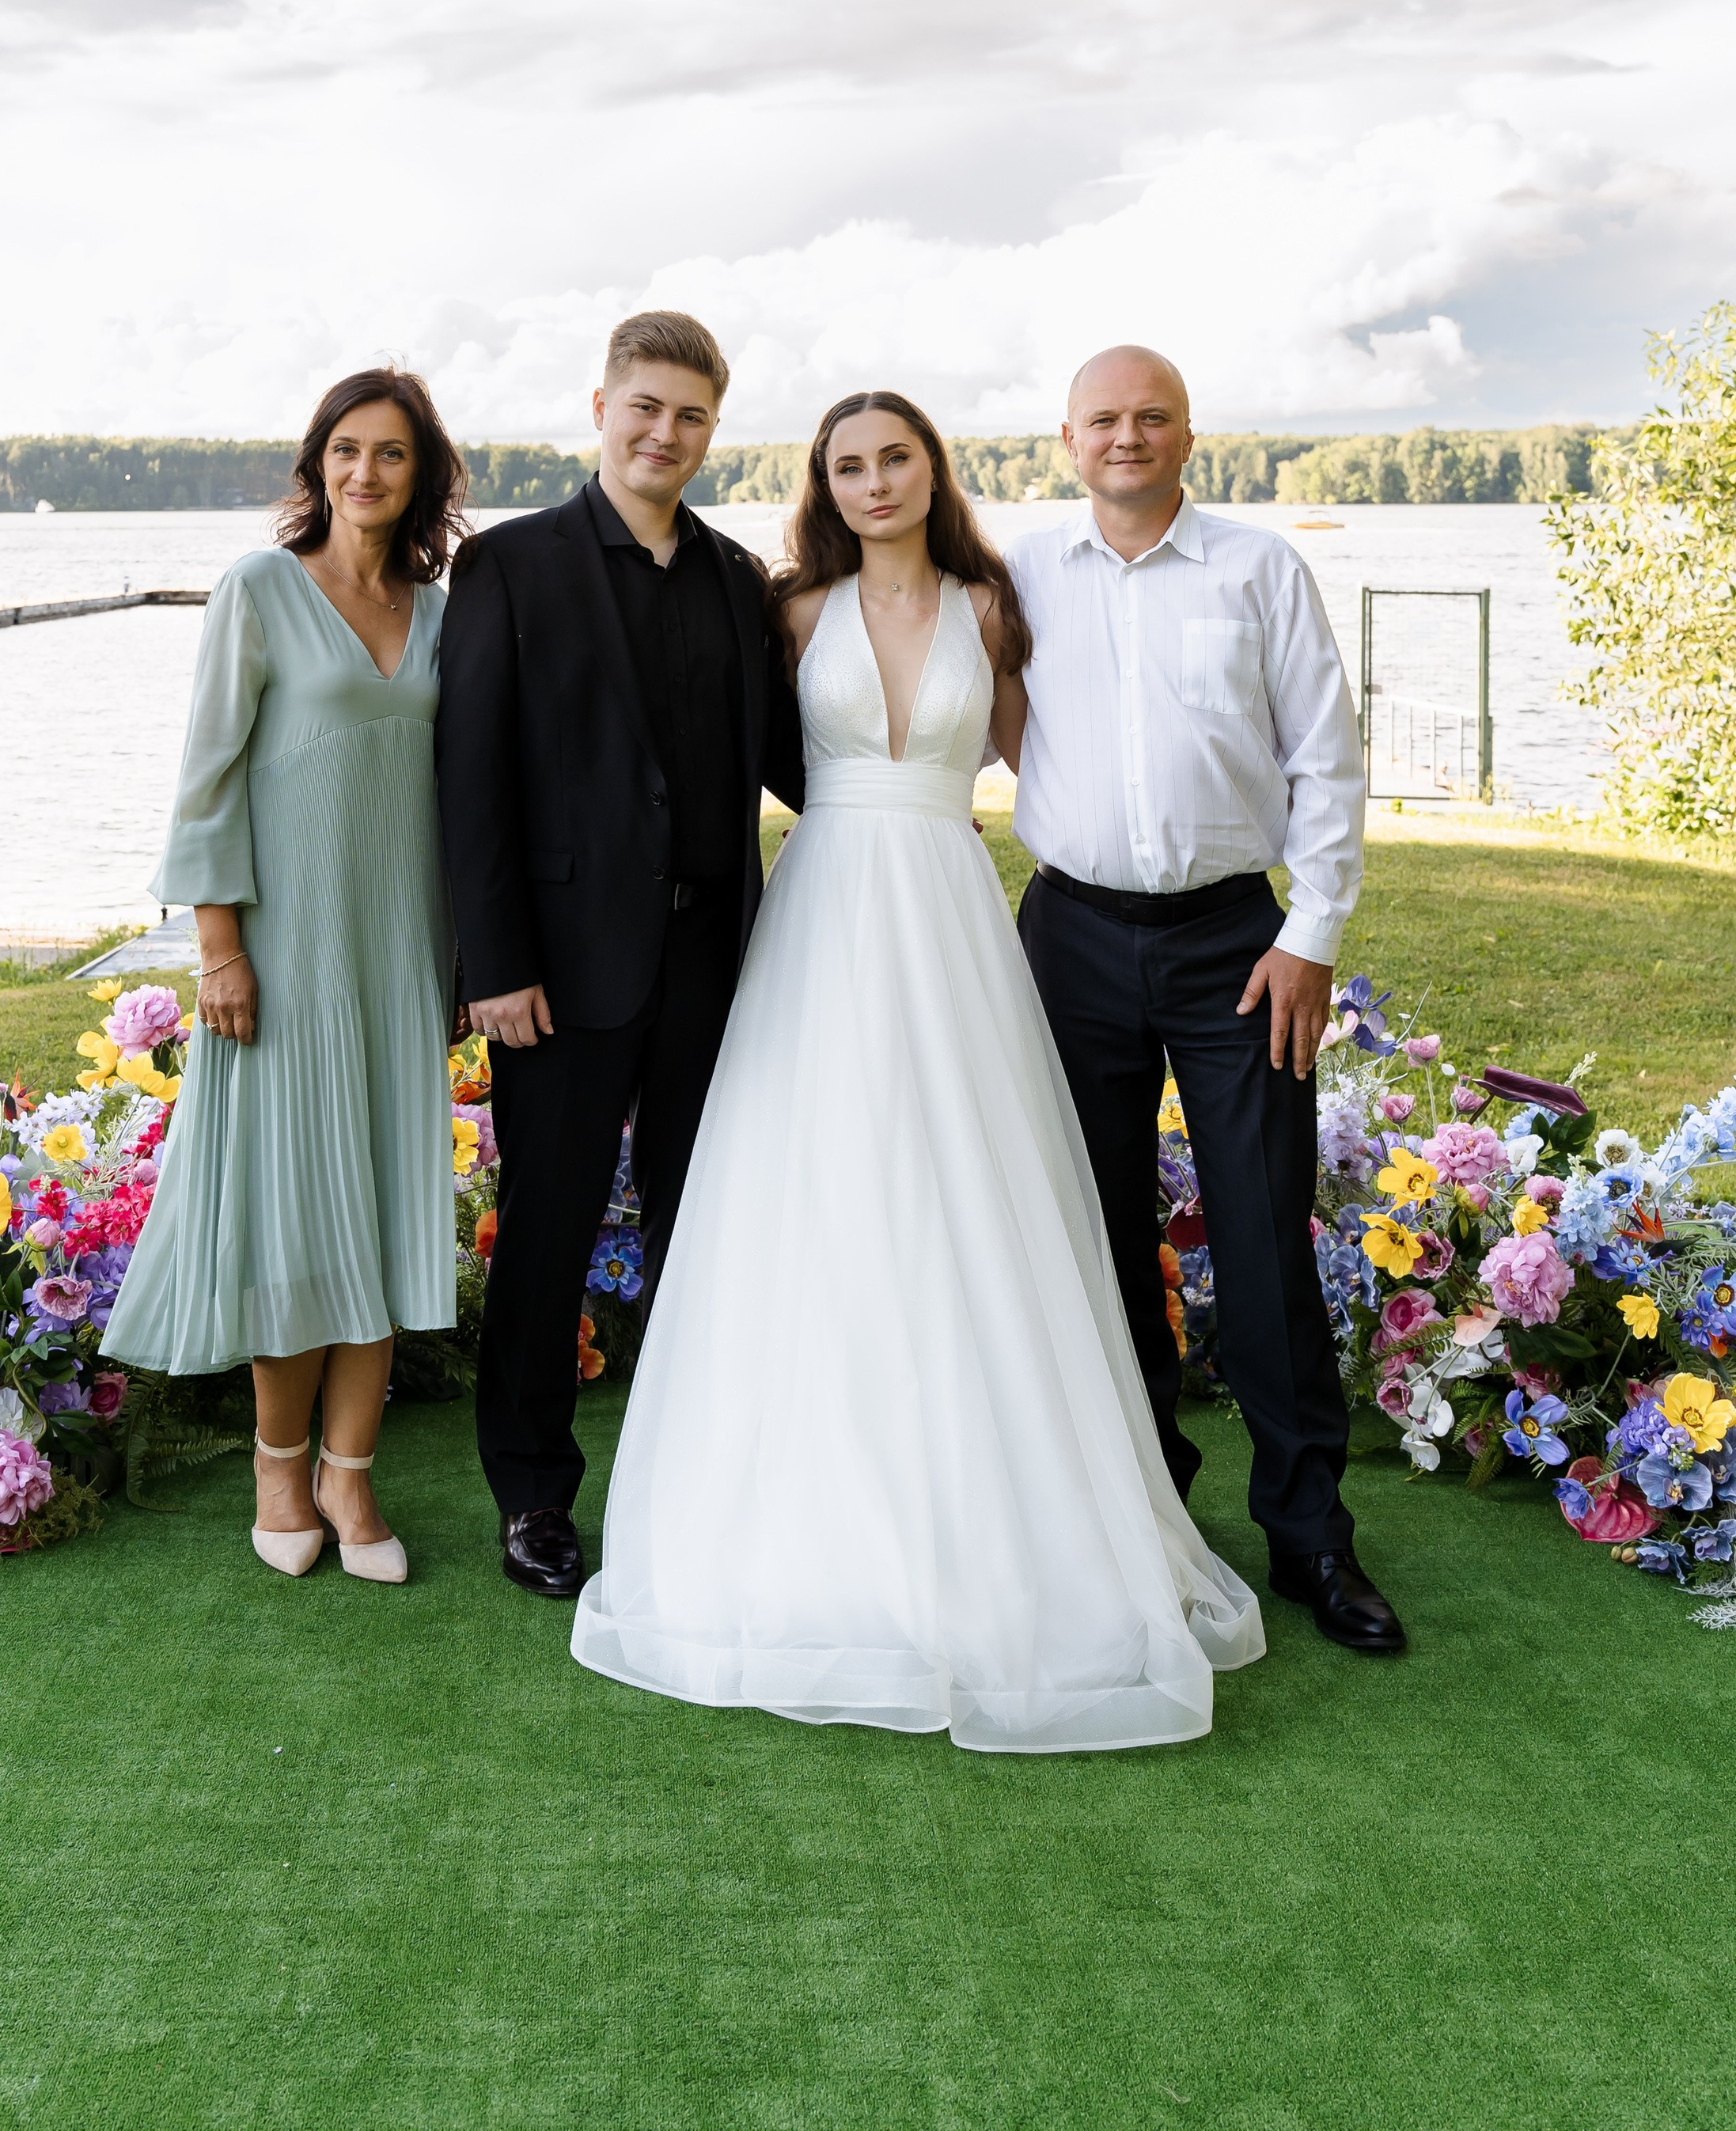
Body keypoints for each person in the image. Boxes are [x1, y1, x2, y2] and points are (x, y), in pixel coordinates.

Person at [570, 390, 1264, 1752]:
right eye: (848, 465)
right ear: (823, 487)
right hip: (825, 910)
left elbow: (1060, 755)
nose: (875, 480)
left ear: (931, 471)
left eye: (896, 458)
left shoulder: (996, 606)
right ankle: (806, 1518)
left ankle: (1020, 1518)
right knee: (816, 1185)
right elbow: (730, 760)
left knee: (970, 1190)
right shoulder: (788, 614)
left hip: (948, 909)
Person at [1010, 344, 1402, 1655]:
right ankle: (1143, 1512)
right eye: (1105, 420)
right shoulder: (1021, 578)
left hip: (1238, 946)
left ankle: (1310, 1539)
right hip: (1068, 935)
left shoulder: (1258, 569)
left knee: (1262, 1231)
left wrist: (1312, 935)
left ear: (1189, 436)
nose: (1128, 438)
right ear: (1067, 439)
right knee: (1101, 1235)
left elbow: (1328, 765)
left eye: (1153, 418)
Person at [435, 310, 805, 1600]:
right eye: (645, 406)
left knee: (703, 1227)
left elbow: (799, 765)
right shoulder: (510, 569)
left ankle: (689, 1474)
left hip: (716, 971)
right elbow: (470, 782)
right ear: (601, 408)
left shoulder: (736, 580)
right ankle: (534, 1491)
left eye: (692, 416)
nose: (666, 434)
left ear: (714, 429)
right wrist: (495, 963)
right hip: (559, 975)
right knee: (547, 1232)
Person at [103, 366, 466, 1585]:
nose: (367, 472)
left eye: (393, 454)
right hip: (284, 953)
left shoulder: (445, 610)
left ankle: (351, 1477)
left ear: (423, 476)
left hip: (403, 950)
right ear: (317, 466)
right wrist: (218, 949)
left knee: (381, 1203)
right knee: (293, 1210)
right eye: (347, 450)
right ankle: (278, 1461)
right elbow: (208, 780)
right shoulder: (260, 590)